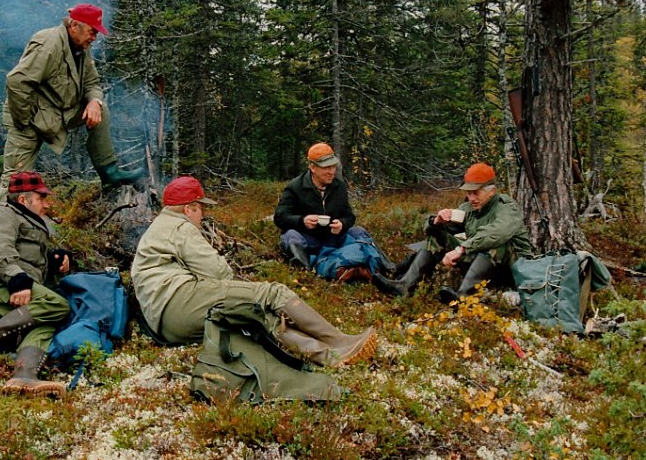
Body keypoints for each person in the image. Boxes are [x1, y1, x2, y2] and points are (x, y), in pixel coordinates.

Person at [131, 176, 377, 367]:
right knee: (272, 293)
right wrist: (244, 289)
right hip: (179, 301)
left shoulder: (159, 228)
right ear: (189, 209)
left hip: (165, 323)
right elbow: (218, 273)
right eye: (201, 209)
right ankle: (340, 341)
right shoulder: (180, 228)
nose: (203, 216)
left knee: (260, 318)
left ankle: (329, 357)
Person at [0, 3, 144, 200]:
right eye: (92, 32)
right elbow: (16, 81)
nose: (94, 38)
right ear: (74, 25)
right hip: (28, 120)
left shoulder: (81, 48)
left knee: (101, 108)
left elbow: (92, 82)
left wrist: (94, 102)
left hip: (57, 114)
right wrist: (24, 121)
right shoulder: (48, 44)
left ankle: (109, 173)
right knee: (15, 180)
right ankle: (0, 225)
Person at [0, 171, 71, 397]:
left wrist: (53, 259)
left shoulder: (29, 221)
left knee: (46, 322)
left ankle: (25, 376)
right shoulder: (1, 212)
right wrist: (16, 279)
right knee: (59, 306)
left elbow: (26, 260)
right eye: (41, 198)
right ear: (23, 200)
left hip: (11, 290)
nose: (47, 204)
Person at [371, 163, 533, 303]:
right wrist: (437, 221)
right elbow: (435, 231)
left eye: (476, 192)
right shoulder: (470, 208)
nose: (471, 198)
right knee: (438, 237)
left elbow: (496, 234)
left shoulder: (506, 207)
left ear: (491, 191)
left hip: (513, 270)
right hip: (484, 266)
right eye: (468, 193)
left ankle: (464, 296)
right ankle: (405, 285)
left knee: (493, 244)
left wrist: (461, 249)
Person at [274, 142, 387, 271]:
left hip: (334, 238)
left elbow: (349, 215)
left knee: (359, 231)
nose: (331, 172)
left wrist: (342, 224)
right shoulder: (295, 187)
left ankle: (386, 267)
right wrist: (302, 221)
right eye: (326, 168)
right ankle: (305, 270)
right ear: (312, 167)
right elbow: (280, 217)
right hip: (309, 240)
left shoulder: (339, 186)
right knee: (290, 236)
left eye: (333, 167)